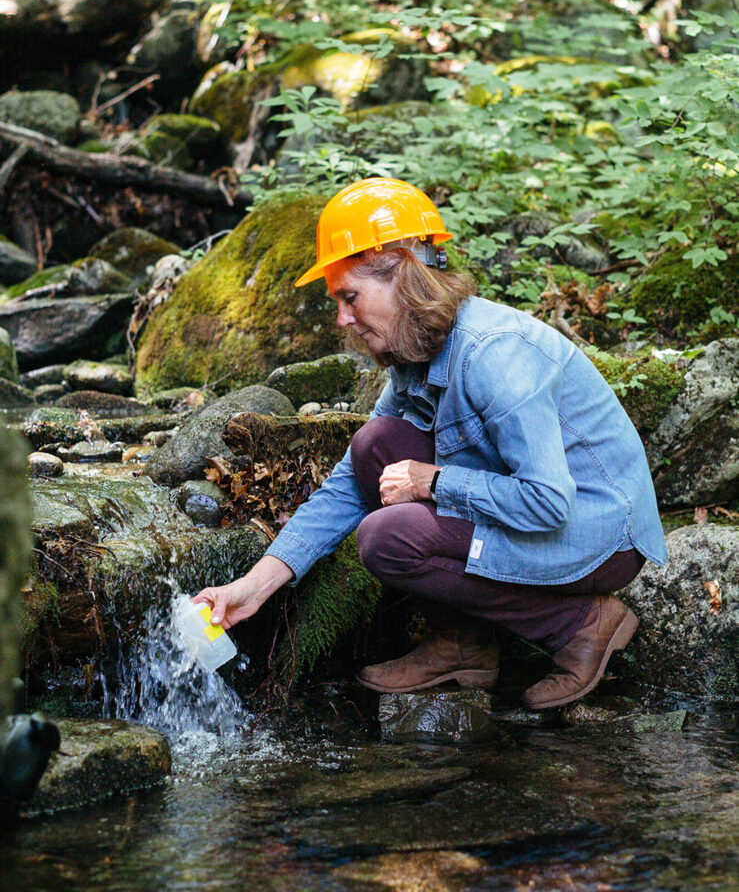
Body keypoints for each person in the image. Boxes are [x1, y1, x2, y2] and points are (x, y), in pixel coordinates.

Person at [193, 177, 667, 709]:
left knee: (387, 538)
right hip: (549, 514)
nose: (342, 319)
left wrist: (434, 482)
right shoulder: (416, 357)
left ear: (401, 273)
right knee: (376, 445)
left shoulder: (494, 356)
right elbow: (351, 480)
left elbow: (549, 502)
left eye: (350, 297)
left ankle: (580, 624)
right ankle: (461, 644)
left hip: (600, 533)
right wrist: (252, 589)